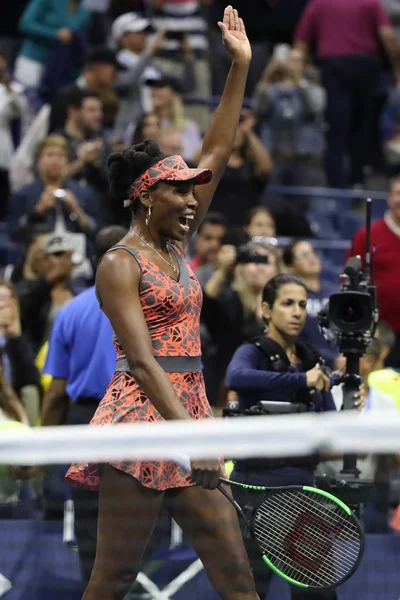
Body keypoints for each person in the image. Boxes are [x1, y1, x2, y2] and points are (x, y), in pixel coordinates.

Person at [66, 7, 258, 600]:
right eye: (179, 189)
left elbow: (219, 149)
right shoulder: (120, 263)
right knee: (113, 580)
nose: (192, 198)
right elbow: (145, 362)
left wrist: (239, 66)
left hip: (191, 408)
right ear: (147, 197)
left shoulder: (180, 246)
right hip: (140, 420)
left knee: (237, 579)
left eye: (191, 189)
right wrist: (194, 438)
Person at [226, 273, 337, 600]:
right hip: (255, 493)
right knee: (249, 592)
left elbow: (330, 423)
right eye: (287, 304)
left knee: (318, 595)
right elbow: (236, 376)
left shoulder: (311, 358)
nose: (298, 312)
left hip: (303, 495)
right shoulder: (253, 351)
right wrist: (301, 381)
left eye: (302, 304)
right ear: (266, 310)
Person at [39, 225, 126, 584]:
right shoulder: (150, 307)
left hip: (86, 419)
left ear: (93, 262)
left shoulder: (70, 311)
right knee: (137, 518)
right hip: (133, 419)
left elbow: (57, 390)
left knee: (91, 523)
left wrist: (42, 444)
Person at [348, 177, 400, 367]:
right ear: (389, 198)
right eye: (398, 194)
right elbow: (350, 278)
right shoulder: (368, 234)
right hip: (379, 332)